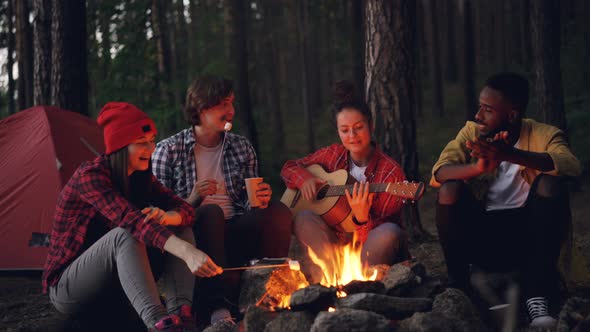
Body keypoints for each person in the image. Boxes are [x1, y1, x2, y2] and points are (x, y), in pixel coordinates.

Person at [42, 102, 222, 332]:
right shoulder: (90, 177)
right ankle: (160, 324)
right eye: (141, 143)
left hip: (116, 280)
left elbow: (183, 208)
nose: (151, 148)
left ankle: (182, 316)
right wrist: (187, 252)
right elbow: (132, 222)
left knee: (178, 227)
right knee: (125, 234)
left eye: (152, 141)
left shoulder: (141, 176)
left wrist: (168, 218)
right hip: (70, 287)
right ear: (119, 147)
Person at [431, 72, 581, 328]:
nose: (478, 115)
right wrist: (478, 168)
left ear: (511, 115)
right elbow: (440, 171)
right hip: (482, 235)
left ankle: (538, 295)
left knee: (550, 182)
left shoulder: (544, 134)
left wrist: (510, 155)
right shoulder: (472, 132)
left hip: (529, 237)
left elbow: (571, 165)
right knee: (448, 190)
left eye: (487, 110)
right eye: (480, 107)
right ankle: (460, 289)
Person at [152, 76, 292, 326]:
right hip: (197, 235)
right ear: (202, 108)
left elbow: (248, 204)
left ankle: (271, 292)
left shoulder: (240, 147)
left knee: (278, 211)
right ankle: (217, 307)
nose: (231, 111)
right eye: (224, 104)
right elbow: (161, 215)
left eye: (232, 103)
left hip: (235, 229)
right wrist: (193, 199)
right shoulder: (168, 151)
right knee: (211, 212)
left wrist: (260, 199)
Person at [280, 80, 410, 284]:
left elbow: (383, 238)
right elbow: (289, 167)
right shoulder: (332, 156)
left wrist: (361, 219)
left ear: (371, 125)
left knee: (388, 233)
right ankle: (332, 283)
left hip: (371, 253)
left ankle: (361, 289)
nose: (352, 136)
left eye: (358, 128)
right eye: (345, 130)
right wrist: (304, 179)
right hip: (332, 251)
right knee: (303, 217)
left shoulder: (391, 175)